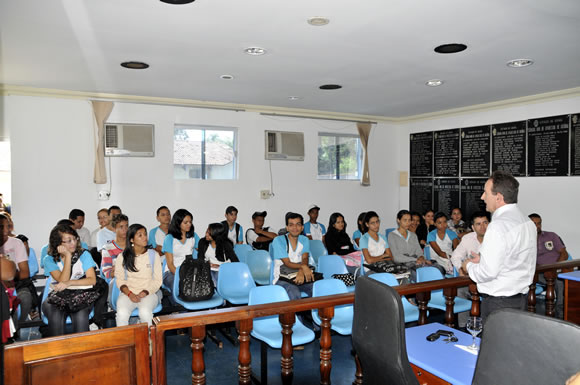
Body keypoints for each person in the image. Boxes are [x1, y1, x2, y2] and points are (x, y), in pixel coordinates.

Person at [462, 171, 536, 324]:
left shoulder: (498, 226)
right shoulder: (527, 222)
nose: (482, 197)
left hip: (499, 303)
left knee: (493, 347)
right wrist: (482, 258)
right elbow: (513, 256)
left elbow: (487, 273)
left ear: (499, 197)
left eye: (486, 192)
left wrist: (468, 265)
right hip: (520, 299)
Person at [41, 224, 98, 336]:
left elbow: (92, 280)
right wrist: (67, 257)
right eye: (68, 240)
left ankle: (81, 351)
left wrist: (70, 282)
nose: (73, 243)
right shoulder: (49, 259)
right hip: (56, 297)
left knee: (81, 314)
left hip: (80, 296)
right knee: (56, 315)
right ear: (58, 243)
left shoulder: (84, 254)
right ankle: (58, 351)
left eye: (74, 239)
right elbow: (63, 280)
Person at [114, 224, 162, 327]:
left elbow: (158, 281)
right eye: (140, 235)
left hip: (149, 293)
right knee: (122, 313)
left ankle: (149, 342)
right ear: (132, 240)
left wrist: (145, 292)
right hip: (128, 293)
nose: (144, 237)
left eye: (145, 234)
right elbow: (120, 280)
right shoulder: (122, 256)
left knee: (145, 312)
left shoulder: (153, 255)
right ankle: (126, 342)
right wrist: (129, 294)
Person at [450, 211, 490, 327]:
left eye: (485, 223)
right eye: (478, 224)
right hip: (471, 277)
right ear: (473, 227)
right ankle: (463, 326)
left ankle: (486, 326)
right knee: (460, 290)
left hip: (489, 279)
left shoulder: (496, 239)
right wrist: (460, 269)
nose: (482, 227)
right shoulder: (468, 238)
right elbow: (455, 257)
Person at [529, 213, 567, 317]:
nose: (537, 226)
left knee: (565, 279)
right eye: (534, 224)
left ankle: (566, 311)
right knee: (558, 281)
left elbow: (564, 253)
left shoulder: (551, 235)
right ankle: (560, 312)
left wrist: (555, 267)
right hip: (541, 272)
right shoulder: (525, 241)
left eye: (539, 224)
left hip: (558, 268)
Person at [0, 213, 34, 325]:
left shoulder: (17, 243)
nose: (6, 231)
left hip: (15, 284)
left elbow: (25, 273)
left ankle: (15, 329)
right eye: (1, 227)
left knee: (25, 297)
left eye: (8, 226)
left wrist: (8, 276)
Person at [272, 212, 314, 300]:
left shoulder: (304, 239)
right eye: (291, 225)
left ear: (302, 227)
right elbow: (287, 263)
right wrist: (303, 267)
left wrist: (302, 271)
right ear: (287, 227)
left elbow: (305, 258)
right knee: (293, 292)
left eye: (298, 224)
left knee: (317, 289)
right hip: (282, 278)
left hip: (301, 275)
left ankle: (315, 313)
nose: (295, 228)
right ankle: (297, 314)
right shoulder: (279, 240)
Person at [387, 210, 431, 281]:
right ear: (398, 220)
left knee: (433, 271)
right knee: (419, 276)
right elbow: (396, 257)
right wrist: (416, 259)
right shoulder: (392, 235)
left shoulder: (413, 235)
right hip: (402, 265)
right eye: (405, 220)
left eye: (409, 220)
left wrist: (421, 257)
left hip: (416, 263)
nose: (408, 223)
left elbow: (419, 252)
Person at [162, 209, 200, 291]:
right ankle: (177, 303)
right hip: (171, 272)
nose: (189, 224)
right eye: (185, 222)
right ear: (178, 223)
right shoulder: (169, 238)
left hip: (189, 271)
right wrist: (183, 276)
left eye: (190, 222)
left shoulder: (193, 236)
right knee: (180, 286)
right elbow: (170, 265)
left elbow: (203, 250)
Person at [100, 214, 129, 280]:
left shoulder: (133, 245)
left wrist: (117, 268)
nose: (125, 230)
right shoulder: (107, 248)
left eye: (126, 226)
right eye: (121, 227)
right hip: (116, 282)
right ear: (114, 229)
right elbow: (108, 274)